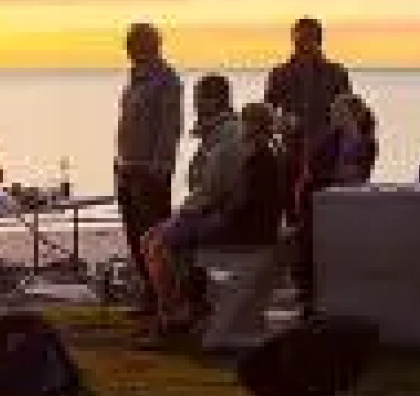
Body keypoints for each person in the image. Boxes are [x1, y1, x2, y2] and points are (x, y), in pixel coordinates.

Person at [140, 76, 246, 338]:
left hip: (219, 214)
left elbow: (213, 187)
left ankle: (174, 315)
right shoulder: (215, 133)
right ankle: (176, 308)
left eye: (199, 99)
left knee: (159, 245)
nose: (195, 105)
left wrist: (186, 213)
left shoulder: (227, 136)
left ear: (215, 100)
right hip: (210, 209)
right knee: (151, 238)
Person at [266, 18, 351, 309]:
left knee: (325, 223)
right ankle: (302, 287)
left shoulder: (336, 73)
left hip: (326, 161)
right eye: (299, 39)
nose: (303, 44)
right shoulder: (280, 73)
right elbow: (268, 113)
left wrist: (346, 157)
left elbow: (347, 115)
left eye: (309, 38)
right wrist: (280, 126)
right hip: (290, 158)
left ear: (319, 39)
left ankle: (325, 285)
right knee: (294, 223)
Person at [113, 22, 184, 317]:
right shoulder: (135, 79)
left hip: (149, 171)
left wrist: (160, 166)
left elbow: (170, 127)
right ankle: (149, 293)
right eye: (129, 44)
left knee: (153, 236)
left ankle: (164, 298)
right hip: (127, 167)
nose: (129, 49)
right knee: (134, 234)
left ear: (152, 45)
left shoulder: (166, 80)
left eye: (135, 44)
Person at [326, 93, 378, 187]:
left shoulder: (367, 142)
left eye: (338, 111)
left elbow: (364, 170)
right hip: (330, 188)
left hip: (354, 188)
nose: (332, 116)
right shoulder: (331, 140)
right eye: (333, 112)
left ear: (351, 114)